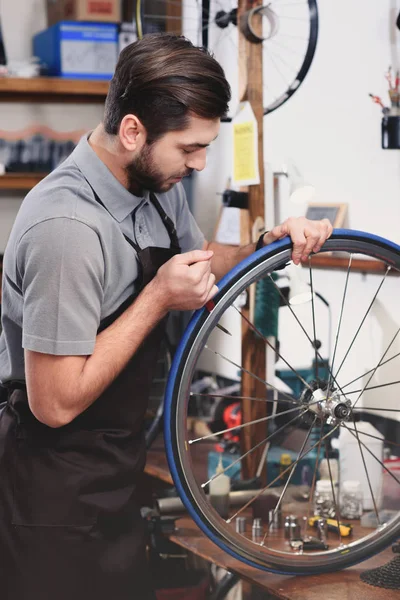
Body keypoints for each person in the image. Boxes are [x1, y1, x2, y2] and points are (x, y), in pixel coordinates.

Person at [0, 34, 332, 599]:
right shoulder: (68, 229)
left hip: (114, 481)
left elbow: (200, 266)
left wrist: (268, 242)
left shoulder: (152, 185)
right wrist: (157, 297)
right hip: (49, 497)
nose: (200, 162)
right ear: (133, 131)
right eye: (189, 148)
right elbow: (52, 403)